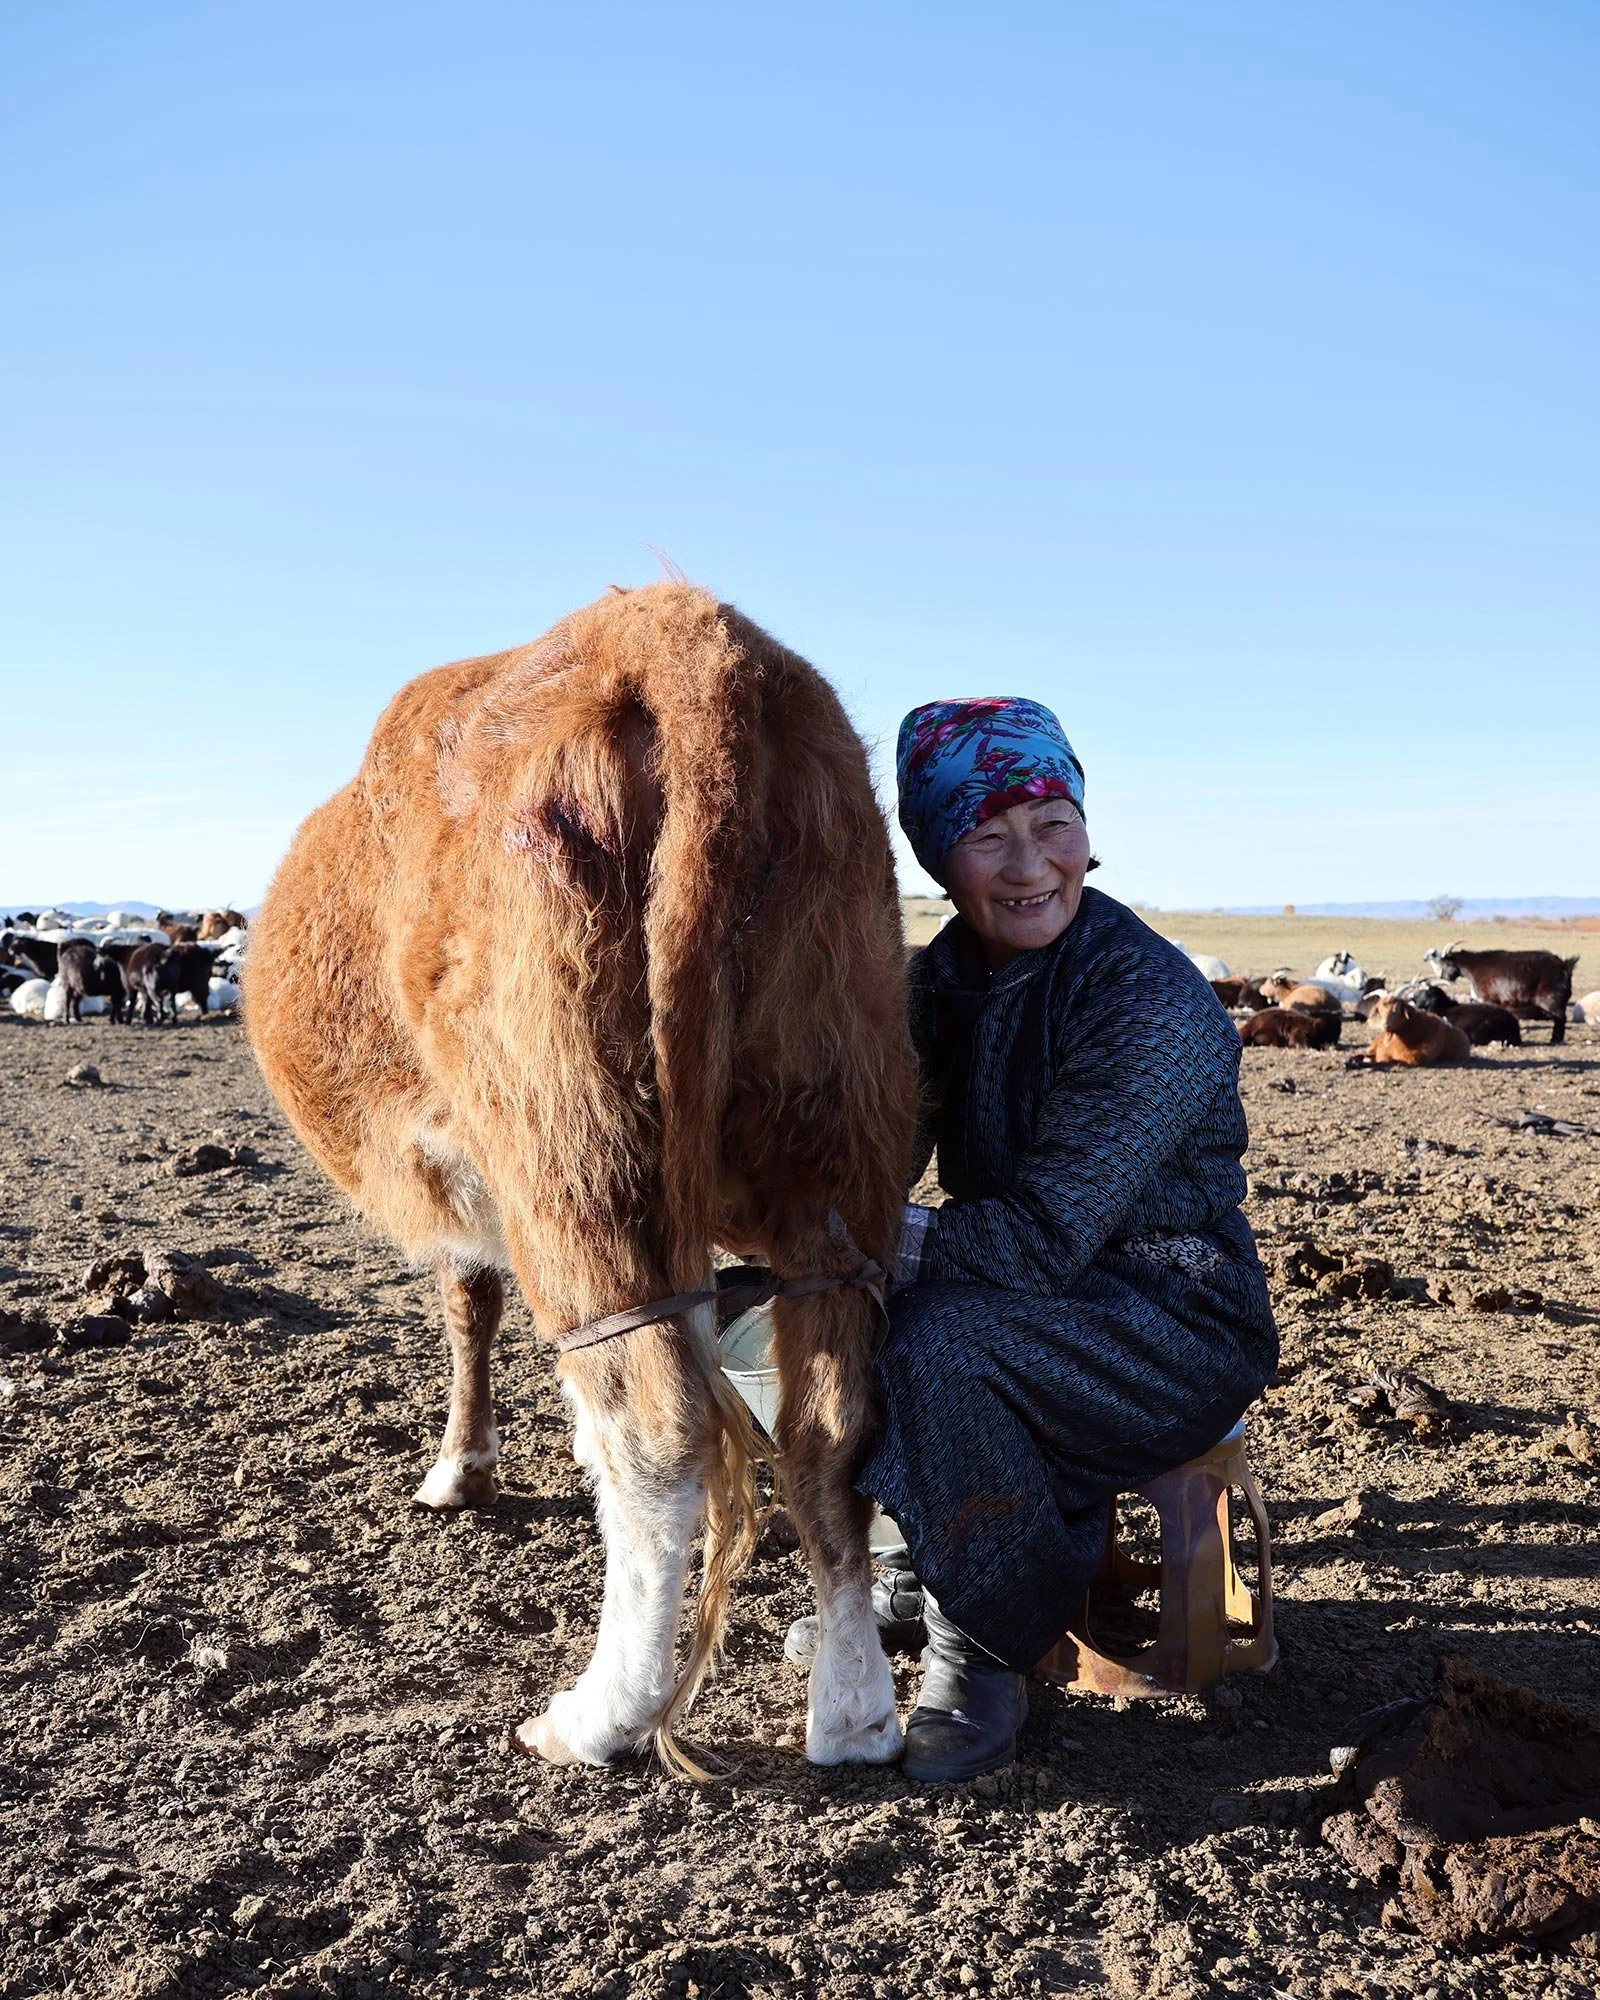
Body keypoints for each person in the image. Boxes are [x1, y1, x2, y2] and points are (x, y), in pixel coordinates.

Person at [854, 696, 1278, 1784]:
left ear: (1087, 828)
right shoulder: (937, 980)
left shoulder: (1146, 1000)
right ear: (939, 855)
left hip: (1168, 1315)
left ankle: (983, 1642)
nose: (1028, 860)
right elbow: (881, 1157)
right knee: (788, 1315)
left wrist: (851, 1231)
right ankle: (927, 1547)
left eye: (1053, 821)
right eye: (986, 833)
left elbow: (1042, 1237)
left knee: (936, 1343)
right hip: (1020, 1294)